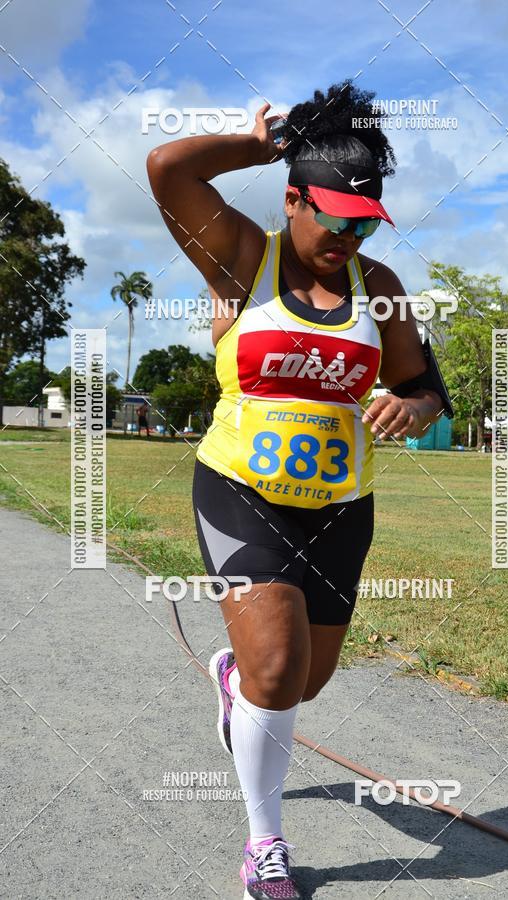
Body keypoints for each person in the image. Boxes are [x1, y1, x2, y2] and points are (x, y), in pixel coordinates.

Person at [147, 81, 450, 899]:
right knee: (279, 669)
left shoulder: (379, 285)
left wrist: (413, 406)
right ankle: (264, 845)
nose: (347, 237)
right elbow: (168, 167)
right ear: (293, 199)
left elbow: (426, 386)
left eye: (365, 223)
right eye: (334, 218)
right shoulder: (244, 256)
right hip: (242, 487)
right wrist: (256, 144)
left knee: (304, 680)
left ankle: (233, 682)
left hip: (342, 507)